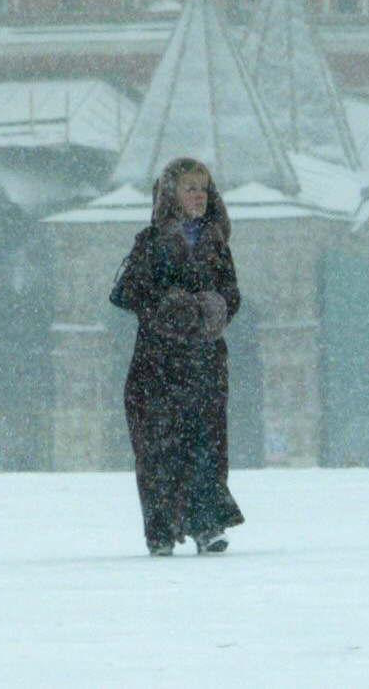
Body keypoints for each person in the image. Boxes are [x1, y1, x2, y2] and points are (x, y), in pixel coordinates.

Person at [110, 156, 244, 556]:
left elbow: (232, 295)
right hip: (158, 366)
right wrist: (169, 306)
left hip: (203, 363)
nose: (198, 196)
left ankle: (206, 523)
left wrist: (213, 307)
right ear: (171, 194)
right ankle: (161, 530)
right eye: (189, 188)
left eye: (203, 188)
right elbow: (128, 292)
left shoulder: (217, 244)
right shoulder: (149, 243)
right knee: (158, 449)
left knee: (205, 443)